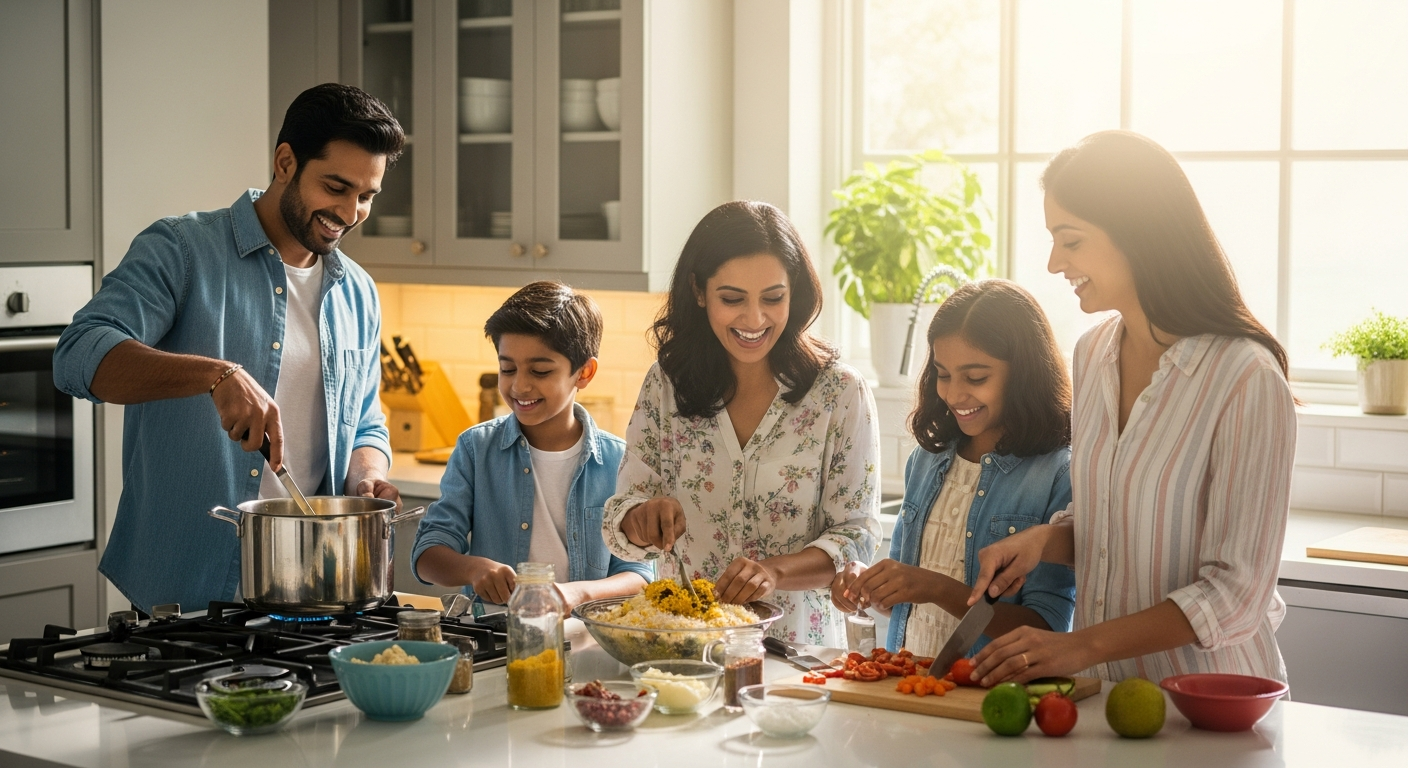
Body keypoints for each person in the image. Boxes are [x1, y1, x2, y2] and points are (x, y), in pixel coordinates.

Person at [54, 84, 404, 612]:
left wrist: (368, 475)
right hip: (185, 600)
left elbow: (366, 421)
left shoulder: (358, 291)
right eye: (336, 187)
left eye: (367, 196)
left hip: (313, 592)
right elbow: (77, 355)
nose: (350, 212)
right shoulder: (182, 249)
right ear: (285, 162)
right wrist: (215, 375)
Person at [966, 130, 1296, 686]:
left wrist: (1080, 645)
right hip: (1108, 699)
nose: (1054, 262)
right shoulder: (1092, 356)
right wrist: (1042, 541)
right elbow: (1113, 523)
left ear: (1137, 234)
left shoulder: (1246, 378)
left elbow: (1236, 594)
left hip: (1211, 705)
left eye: (1070, 241)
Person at [602, 201, 882, 646]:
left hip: (796, 651)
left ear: (795, 292)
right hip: (684, 648)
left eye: (773, 298)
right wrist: (641, 517)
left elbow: (857, 535)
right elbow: (622, 516)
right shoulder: (666, 384)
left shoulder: (839, 392)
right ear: (699, 291)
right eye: (732, 299)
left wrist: (775, 572)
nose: (754, 319)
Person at [831, 280, 1076, 658]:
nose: (954, 394)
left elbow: (1047, 627)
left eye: (976, 377)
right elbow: (909, 605)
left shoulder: (1058, 474)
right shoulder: (926, 459)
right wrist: (871, 585)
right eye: (943, 374)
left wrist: (937, 588)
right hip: (913, 680)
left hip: (991, 690)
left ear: (1024, 375)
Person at [412, 282, 651, 611]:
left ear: (584, 372)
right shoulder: (475, 449)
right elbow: (427, 554)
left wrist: (578, 594)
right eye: (507, 369)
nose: (519, 385)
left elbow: (640, 575)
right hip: (497, 632)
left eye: (540, 371)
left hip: (584, 634)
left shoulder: (619, 461)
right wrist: (474, 569)